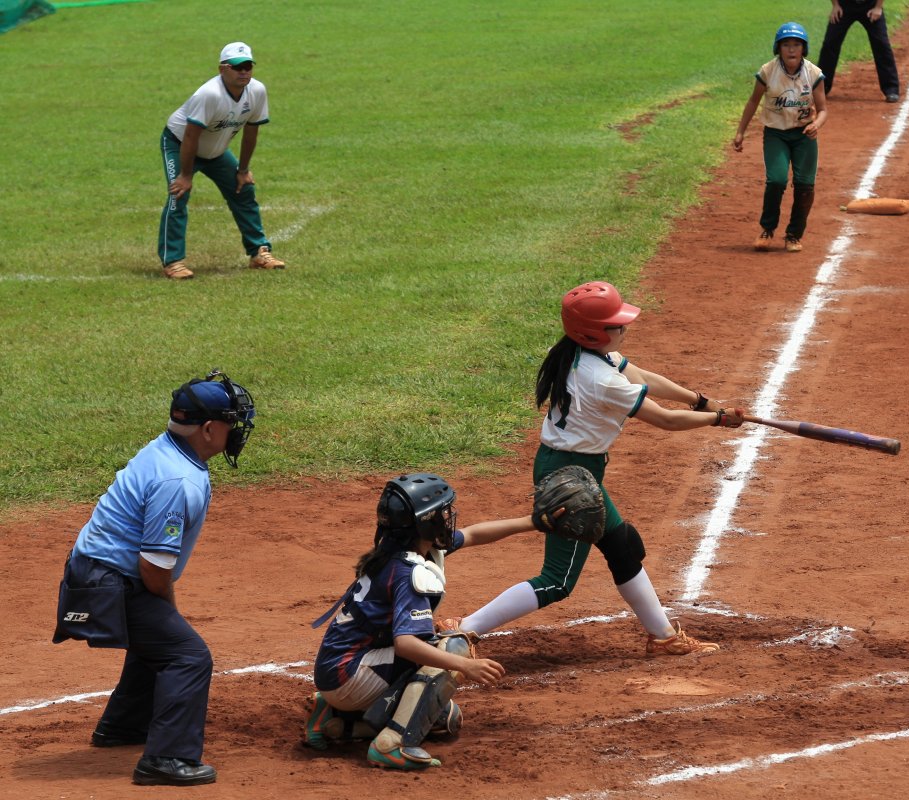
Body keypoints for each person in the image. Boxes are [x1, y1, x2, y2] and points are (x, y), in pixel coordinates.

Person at [437, 281, 744, 657]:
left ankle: (663, 636)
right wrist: (716, 420)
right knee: (557, 580)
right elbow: (665, 422)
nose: (624, 328)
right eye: (616, 324)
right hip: (569, 477)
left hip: (573, 468)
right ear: (594, 332)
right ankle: (464, 629)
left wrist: (699, 400)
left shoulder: (580, 353)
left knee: (621, 547)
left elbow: (644, 378)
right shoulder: (601, 380)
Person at [51, 370, 256, 787]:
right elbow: (153, 569)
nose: (234, 432)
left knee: (161, 640)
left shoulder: (168, 450)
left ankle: (123, 727)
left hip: (94, 571)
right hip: (105, 582)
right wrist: (168, 607)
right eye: (231, 424)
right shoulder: (176, 479)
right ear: (209, 429)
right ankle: (166, 759)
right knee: (187, 655)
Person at [304, 474, 535, 770]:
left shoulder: (399, 547)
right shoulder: (408, 573)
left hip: (340, 668)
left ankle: (337, 719)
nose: (448, 517)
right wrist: (466, 665)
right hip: (349, 674)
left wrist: (534, 523)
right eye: (442, 513)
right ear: (425, 522)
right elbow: (406, 644)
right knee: (453, 647)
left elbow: (475, 534)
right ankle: (391, 745)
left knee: (445, 718)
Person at [158, 41, 286, 280]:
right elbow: (190, 136)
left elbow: (251, 131)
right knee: (178, 194)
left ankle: (259, 253)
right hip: (180, 144)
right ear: (222, 69)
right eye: (237, 67)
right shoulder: (209, 94)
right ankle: (173, 261)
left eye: (248, 66)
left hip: (215, 151)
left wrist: (243, 169)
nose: (244, 71)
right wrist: (185, 176)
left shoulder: (257, 91)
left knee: (243, 188)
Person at [734, 22, 828, 253]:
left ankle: (794, 235)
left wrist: (816, 124)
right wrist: (740, 132)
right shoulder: (768, 71)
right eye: (786, 44)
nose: (791, 49)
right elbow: (753, 101)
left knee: (805, 186)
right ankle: (767, 229)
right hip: (776, 133)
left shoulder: (814, 74)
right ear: (778, 48)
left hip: (804, 135)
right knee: (776, 180)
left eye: (796, 44)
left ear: (803, 48)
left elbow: (823, 109)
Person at [816, 0, 901, 104]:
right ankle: (822, 87)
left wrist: (878, 7)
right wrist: (835, 5)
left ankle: (891, 89)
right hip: (844, 5)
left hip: (870, 6)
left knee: (881, 44)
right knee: (830, 43)